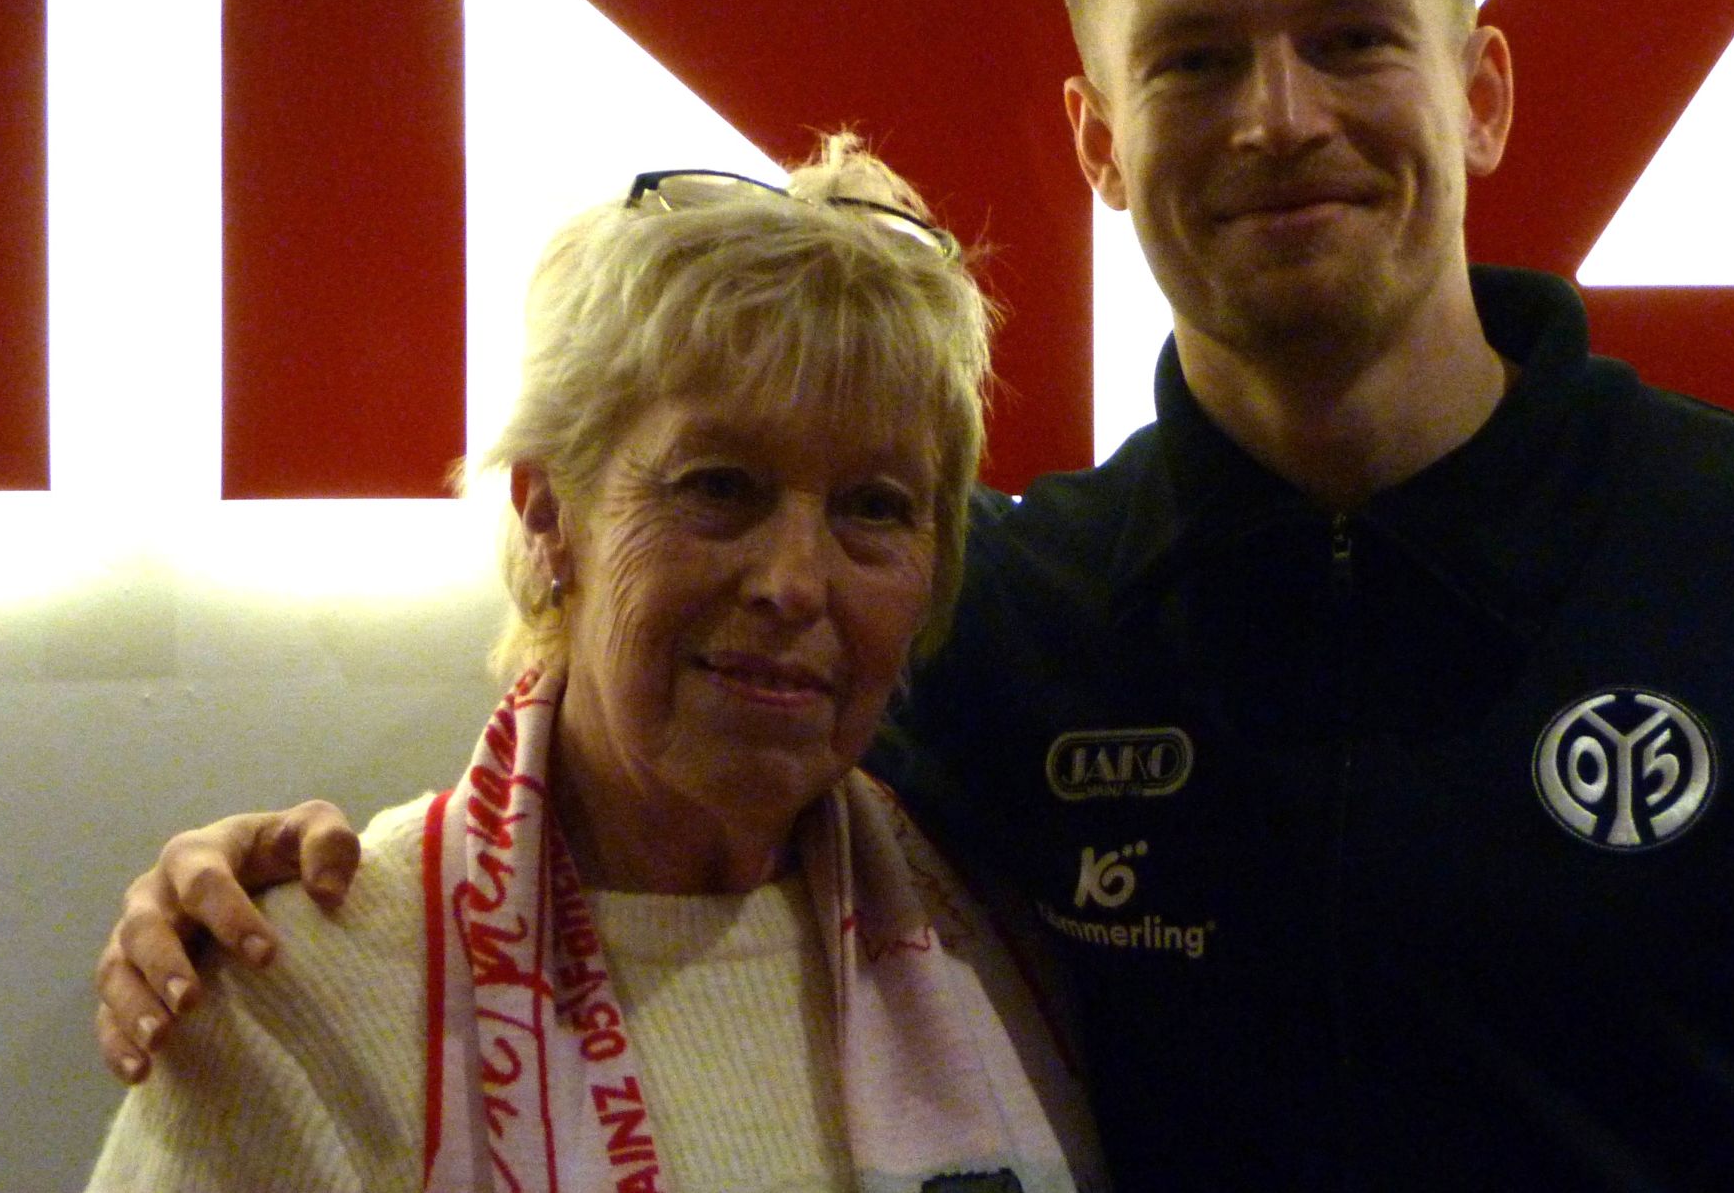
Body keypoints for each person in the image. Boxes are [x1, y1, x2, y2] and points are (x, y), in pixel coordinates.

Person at [95, 0, 1734, 1191]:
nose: (1278, 119)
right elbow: (659, 783)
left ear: (1477, 90)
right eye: (1191, 58)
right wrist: (274, 887)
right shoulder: (1006, 618)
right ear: (1099, 138)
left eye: (1351, 39)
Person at [86, 142, 1103, 1193]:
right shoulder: (296, 1000)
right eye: (719, 485)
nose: (795, 581)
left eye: (875, 507)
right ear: (547, 512)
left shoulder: (1010, 917)